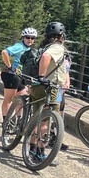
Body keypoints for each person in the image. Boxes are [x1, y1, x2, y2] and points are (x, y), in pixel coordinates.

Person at [28, 21, 69, 160]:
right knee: (47, 121)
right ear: (61, 35)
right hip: (50, 88)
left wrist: (39, 78)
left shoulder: (45, 46)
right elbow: (46, 57)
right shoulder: (57, 47)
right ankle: (40, 152)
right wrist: (42, 76)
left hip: (37, 87)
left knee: (37, 118)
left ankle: (32, 148)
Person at [0, 27, 37, 121]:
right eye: (27, 37)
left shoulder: (29, 49)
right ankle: (6, 122)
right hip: (11, 75)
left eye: (32, 38)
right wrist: (9, 66)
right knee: (8, 100)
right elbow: (4, 52)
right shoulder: (19, 46)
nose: (30, 40)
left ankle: (19, 120)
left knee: (22, 99)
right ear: (23, 37)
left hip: (20, 76)